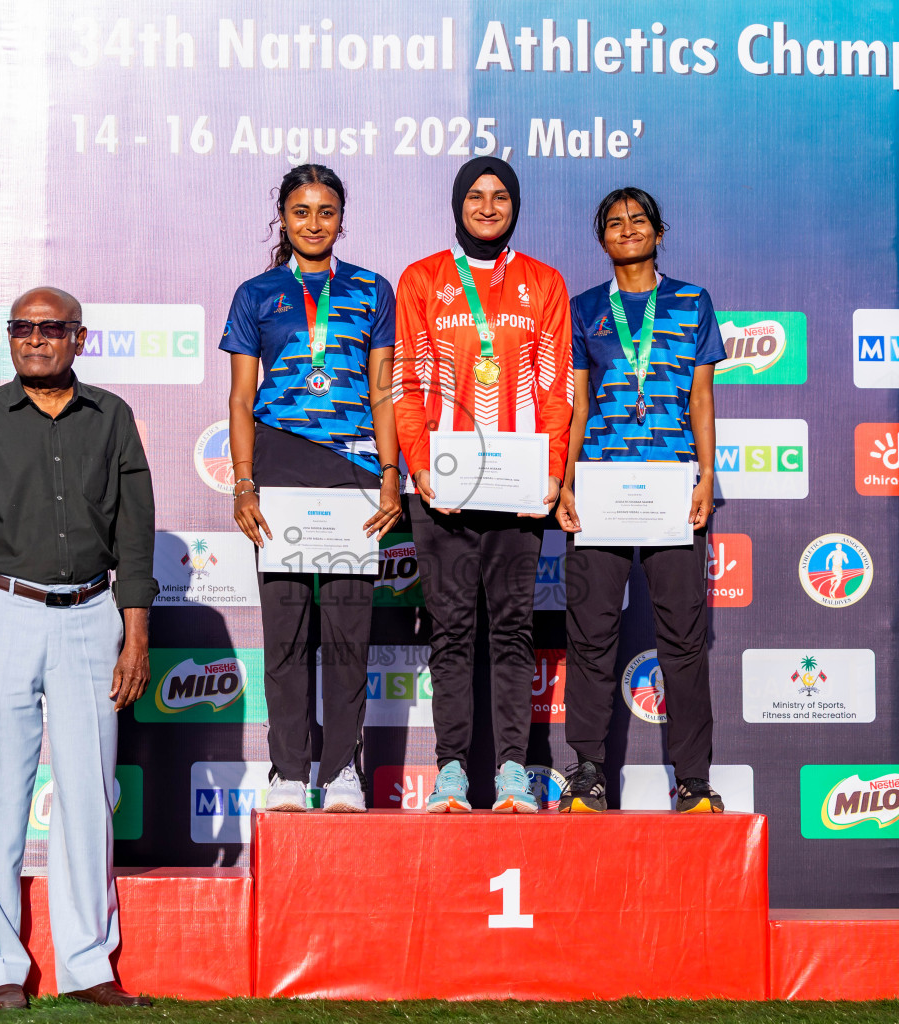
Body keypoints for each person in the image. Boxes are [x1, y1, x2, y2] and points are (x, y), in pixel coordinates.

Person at [0, 287, 156, 1009]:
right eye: (22, 329)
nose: (35, 340)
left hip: (93, 614)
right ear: (9, 338)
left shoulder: (112, 417)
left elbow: (135, 534)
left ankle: (89, 964)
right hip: (1, 609)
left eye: (50, 329)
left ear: (79, 339)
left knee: (90, 791)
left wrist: (136, 632)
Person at [392, 157, 573, 812]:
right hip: (442, 490)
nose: (489, 207)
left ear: (515, 207)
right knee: (452, 631)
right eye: (476, 195)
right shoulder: (424, 279)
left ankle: (511, 773)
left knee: (513, 629)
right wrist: (419, 464)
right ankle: (450, 772)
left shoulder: (543, 282)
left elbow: (556, 388)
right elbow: (406, 384)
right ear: (457, 204)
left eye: (501, 196)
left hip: (520, 491)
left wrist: (552, 469)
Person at [222, 164, 401, 813]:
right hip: (282, 465)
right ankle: (289, 770)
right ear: (284, 218)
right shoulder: (257, 294)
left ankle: (344, 767)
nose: (314, 222)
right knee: (287, 627)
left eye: (326, 211)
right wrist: (245, 484)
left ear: (341, 219)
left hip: (354, 467)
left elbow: (383, 390)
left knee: (350, 630)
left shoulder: (372, 291)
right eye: (302, 211)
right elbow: (242, 400)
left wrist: (389, 475)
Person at [555, 187, 725, 814]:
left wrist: (708, 476)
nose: (627, 229)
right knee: (591, 637)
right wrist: (566, 479)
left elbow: (702, 399)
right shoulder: (585, 310)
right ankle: (590, 773)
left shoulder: (692, 302)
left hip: (674, 488)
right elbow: (574, 403)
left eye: (639, 220)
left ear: (659, 231)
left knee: (683, 640)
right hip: (600, 487)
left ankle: (694, 780)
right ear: (602, 238)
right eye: (615, 223)